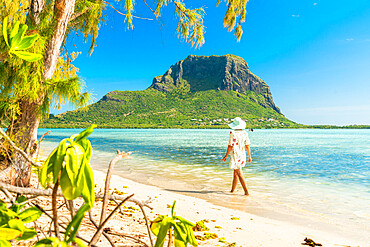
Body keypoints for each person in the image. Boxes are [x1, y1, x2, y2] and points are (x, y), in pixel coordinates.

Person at [222, 117, 252, 195]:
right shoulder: (245, 133)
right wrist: (249, 156)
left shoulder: (233, 133)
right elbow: (247, 145)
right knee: (235, 173)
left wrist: (226, 156)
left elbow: (230, 145)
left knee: (239, 173)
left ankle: (246, 192)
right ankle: (232, 190)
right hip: (242, 154)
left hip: (235, 154)